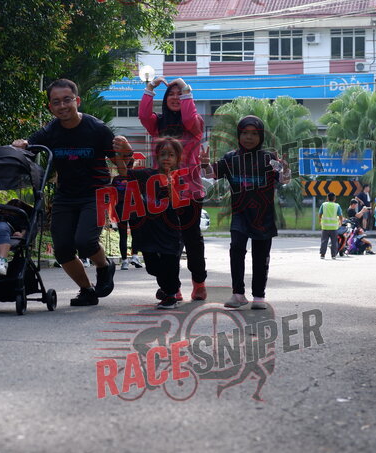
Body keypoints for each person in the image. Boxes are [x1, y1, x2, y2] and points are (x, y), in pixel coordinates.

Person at [12, 79, 124, 306]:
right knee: (62, 249)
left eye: (67, 100)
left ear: (77, 101)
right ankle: (87, 290)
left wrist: (125, 157)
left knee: (85, 241)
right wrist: (20, 144)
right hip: (65, 196)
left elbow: (121, 166)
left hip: (95, 193)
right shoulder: (50, 131)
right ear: (50, 107)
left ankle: (104, 266)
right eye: (56, 102)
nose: (62, 106)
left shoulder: (97, 129)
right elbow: (28, 146)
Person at [200, 115, 290, 309]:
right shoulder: (231, 158)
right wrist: (204, 164)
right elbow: (210, 174)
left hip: (263, 217)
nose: (249, 137)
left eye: (254, 134)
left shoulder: (269, 159)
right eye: (245, 133)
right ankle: (238, 294)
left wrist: (286, 170)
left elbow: (283, 179)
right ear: (239, 134)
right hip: (240, 214)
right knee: (236, 250)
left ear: (261, 136)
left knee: (261, 256)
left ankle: (259, 296)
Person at [138, 75, 207, 300]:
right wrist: (150, 87)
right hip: (162, 191)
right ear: (165, 99)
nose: (176, 97)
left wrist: (186, 88)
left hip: (190, 191)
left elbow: (188, 117)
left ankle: (199, 282)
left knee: (192, 239)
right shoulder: (157, 124)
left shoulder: (195, 123)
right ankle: (172, 287)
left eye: (180, 94)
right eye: (172, 94)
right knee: (167, 241)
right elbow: (143, 115)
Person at [114, 136, 185, 309]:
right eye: (163, 154)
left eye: (171, 155)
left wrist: (171, 188)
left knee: (170, 264)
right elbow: (124, 173)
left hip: (170, 231)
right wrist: (119, 154)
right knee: (152, 267)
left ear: (177, 159)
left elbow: (178, 205)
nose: (166, 158)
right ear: (156, 156)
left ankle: (170, 294)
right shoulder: (146, 174)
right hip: (148, 230)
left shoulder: (180, 178)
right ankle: (169, 287)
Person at [112, 156, 144, 271]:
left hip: (120, 208)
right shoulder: (136, 178)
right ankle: (134, 256)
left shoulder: (116, 179)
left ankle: (124, 261)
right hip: (133, 207)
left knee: (123, 235)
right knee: (136, 233)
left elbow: (112, 195)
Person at [318, 192, 343, 259]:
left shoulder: (324, 205)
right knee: (334, 242)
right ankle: (333, 255)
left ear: (327, 198)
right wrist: (341, 222)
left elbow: (320, 214)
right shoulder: (337, 206)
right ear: (334, 198)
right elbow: (340, 215)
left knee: (324, 241)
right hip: (334, 228)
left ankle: (322, 255)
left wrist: (320, 221)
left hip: (325, 227)